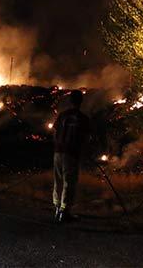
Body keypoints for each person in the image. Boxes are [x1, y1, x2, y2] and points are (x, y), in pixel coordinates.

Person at [52, 90, 91, 224]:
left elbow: (55, 132)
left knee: (58, 180)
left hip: (58, 152)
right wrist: (84, 152)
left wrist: (58, 145)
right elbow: (86, 138)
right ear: (81, 101)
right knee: (69, 182)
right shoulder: (83, 118)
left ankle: (57, 208)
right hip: (71, 154)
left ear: (70, 101)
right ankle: (65, 211)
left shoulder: (62, 115)